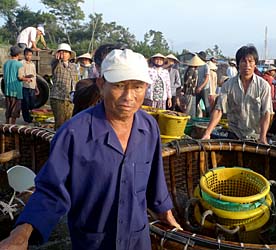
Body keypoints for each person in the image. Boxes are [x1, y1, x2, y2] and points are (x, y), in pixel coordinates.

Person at [0, 49, 181, 250]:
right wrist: (20, 235)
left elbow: (155, 179)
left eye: (137, 87)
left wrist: (166, 213)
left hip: (137, 240)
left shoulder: (148, 127)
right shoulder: (74, 133)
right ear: (101, 84)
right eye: (119, 86)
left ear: (146, 87)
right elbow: (51, 191)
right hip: (93, 242)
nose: (129, 97)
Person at [202, 45, 273, 143]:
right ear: (238, 64)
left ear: (255, 64)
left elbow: (266, 113)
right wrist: (207, 133)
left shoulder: (263, 86)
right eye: (243, 61)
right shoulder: (228, 85)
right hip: (234, 134)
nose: (247, 65)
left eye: (250, 61)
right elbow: (219, 110)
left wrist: (263, 137)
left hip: (255, 136)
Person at [72, 44, 123, 116]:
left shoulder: (130, 88)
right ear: (97, 66)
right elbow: (81, 98)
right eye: (109, 63)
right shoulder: (85, 84)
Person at [50, 43, 79, 130]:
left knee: (69, 123)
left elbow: (76, 80)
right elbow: (53, 62)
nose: (64, 54)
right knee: (60, 123)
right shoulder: (56, 65)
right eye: (61, 52)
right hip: (58, 97)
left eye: (66, 52)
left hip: (70, 98)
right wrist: (57, 58)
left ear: (69, 54)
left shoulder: (73, 67)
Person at [2, 46, 26, 124]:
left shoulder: (6, 63)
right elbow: (20, 77)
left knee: (8, 108)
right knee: (15, 110)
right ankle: (12, 127)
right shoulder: (19, 64)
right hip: (16, 91)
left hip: (8, 90)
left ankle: (6, 125)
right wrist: (27, 79)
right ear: (18, 54)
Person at [19, 48, 39, 124]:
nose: (29, 56)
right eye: (27, 55)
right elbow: (20, 76)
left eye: (30, 55)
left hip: (32, 87)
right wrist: (27, 77)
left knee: (32, 103)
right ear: (24, 55)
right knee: (25, 103)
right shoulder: (21, 63)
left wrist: (36, 87)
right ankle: (27, 120)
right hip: (24, 86)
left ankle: (31, 118)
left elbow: (35, 77)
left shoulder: (33, 64)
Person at [195, 51, 210, 116]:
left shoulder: (206, 66)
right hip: (198, 88)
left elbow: (207, 78)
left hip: (204, 88)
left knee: (207, 105)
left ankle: (208, 120)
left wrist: (201, 87)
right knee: (194, 104)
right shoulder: (197, 66)